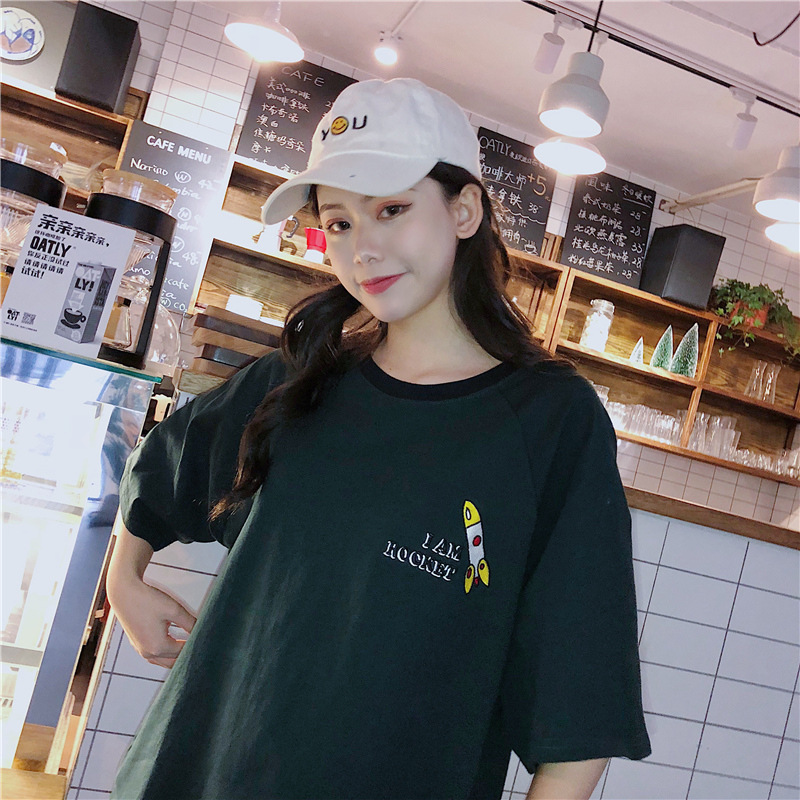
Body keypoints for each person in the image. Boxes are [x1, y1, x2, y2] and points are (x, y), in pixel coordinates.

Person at [108, 78, 651, 800]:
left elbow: (580, 703)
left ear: (464, 210)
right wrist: (123, 581)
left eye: (392, 209)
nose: (362, 248)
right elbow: (160, 468)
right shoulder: (300, 375)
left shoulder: (549, 420)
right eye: (337, 222)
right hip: (202, 770)